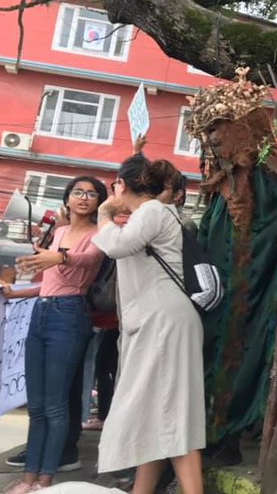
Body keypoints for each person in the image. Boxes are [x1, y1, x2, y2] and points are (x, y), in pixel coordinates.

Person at [92, 156, 205, 494]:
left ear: (120, 185)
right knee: (155, 414)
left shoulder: (153, 211)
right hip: (161, 321)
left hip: (163, 323)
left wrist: (103, 213)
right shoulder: (151, 214)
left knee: (173, 414)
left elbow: (115, 245)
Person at [0, 177, 107, 494]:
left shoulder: (99, 234)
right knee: (38, 405)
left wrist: (59, 257)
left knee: (56, 405)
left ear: (99, 201)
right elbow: (48, 285)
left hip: (70, 315)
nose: (84, 198)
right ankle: (29, 477)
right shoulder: (59, 231)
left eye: (91, 194)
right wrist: (14, 292)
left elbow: (90, 261)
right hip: (42, 313)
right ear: (68, 198)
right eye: (78, 192)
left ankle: (45, 479)